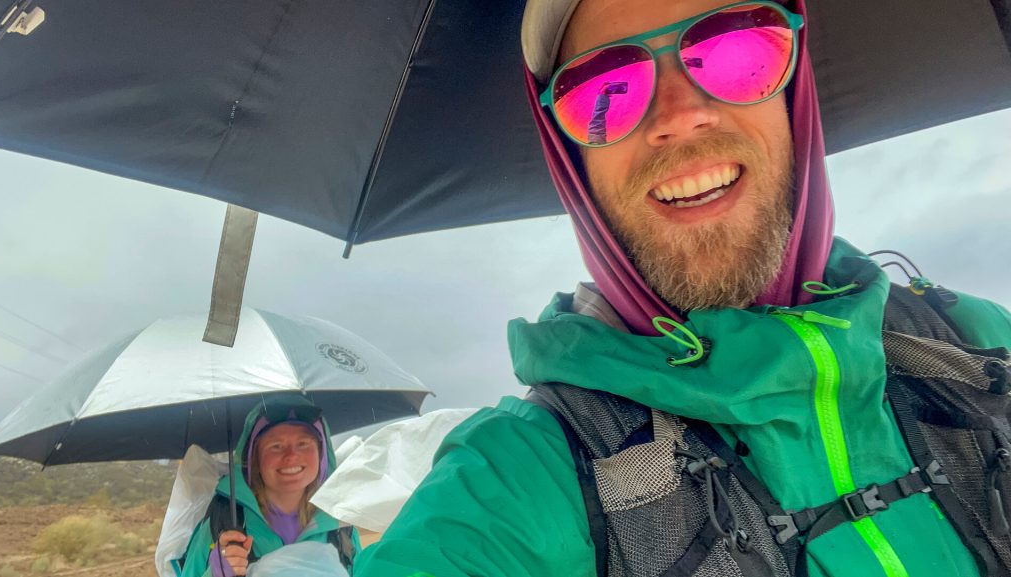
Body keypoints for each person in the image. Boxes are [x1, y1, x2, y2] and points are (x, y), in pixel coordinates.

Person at [355, 1, 1011, 576]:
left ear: (795, 86)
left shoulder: (980, 348)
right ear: (569, 156)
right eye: (604, 85)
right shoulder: (529, 473)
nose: (681, 115)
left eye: (735, 46)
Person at [179, 395, 356, 576]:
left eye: (303, 443)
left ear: (322, 454)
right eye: (276, 446)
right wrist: (215, 573)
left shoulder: (339, 525)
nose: (291, 456)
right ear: (254, 458)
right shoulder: (224, 521)